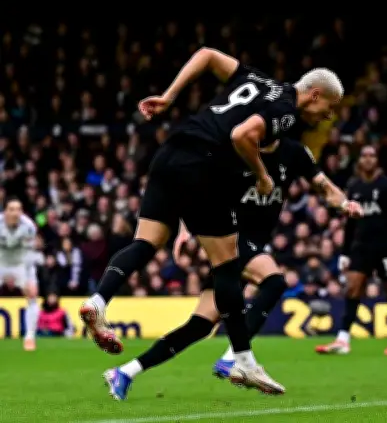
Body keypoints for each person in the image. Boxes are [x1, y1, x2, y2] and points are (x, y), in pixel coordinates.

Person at [79, 47, 343, 393]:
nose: (328, 116)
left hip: (170, 153)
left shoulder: (257, 78)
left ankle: (98, 302)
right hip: (202, 166)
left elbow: (206, 55)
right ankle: (243, 361)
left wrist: (170, 97)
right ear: (314, 94)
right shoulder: (286, 111)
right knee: (227, 266)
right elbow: (241, 135)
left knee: (145, 243)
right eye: (330, 108)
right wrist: (262, 175)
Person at [102, 138, 362, 400]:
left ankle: (125, 372)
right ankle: (234, 358)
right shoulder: (236, 150)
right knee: (274, 282)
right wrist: (183, 229)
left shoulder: (293, 152)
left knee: (199, 326)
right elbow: (198, 191)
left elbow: (323, 185)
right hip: (230, 237)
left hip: (245, 246)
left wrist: (344, 204)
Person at [315, 145, 387, 356]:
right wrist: (345, 252)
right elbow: (349, 223)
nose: (367, 159)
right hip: (361, 246)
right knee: (353, 288)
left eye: (371, 155)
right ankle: (343, 340)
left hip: (384, 247)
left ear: (377, 160)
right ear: (359, 160)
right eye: (364, 155)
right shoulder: (354, 186)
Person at [0, 198, 41, 351]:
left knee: (32, 295)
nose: (15, 213)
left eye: (18, 209)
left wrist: (23, 277)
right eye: (11, 209)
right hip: (1, 262)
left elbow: (28, 252)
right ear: (5, 212)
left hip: (21, 264)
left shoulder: (29, 227)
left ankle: (29, 337)